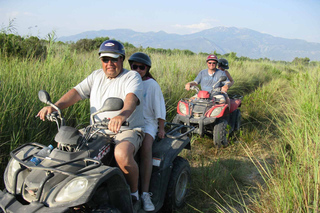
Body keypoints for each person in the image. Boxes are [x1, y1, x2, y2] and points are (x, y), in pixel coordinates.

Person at [36, 40, 144, 202]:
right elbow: (77, 92)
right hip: (97, 129)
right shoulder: (96, 76)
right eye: (105, 59)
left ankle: (134, 194)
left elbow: (131, 99)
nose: (110, 63)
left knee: (121, 154)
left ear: (122, 59)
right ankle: (57, 190)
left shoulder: (131, 76)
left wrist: (121, 116)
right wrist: (56, 106)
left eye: (114, 59)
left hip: (126, 129)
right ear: (101, 60)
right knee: (65, 144)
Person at [128, 52, 166, 211]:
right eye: (134, 66)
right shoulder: (128, 81)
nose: (137, 70)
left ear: (147, 68)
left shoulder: (152, 85)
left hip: (148, 122)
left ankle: (144, 193)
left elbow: (159, 108)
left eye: (141, 67)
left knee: (145, 148)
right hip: (131, 120)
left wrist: (161, 128)